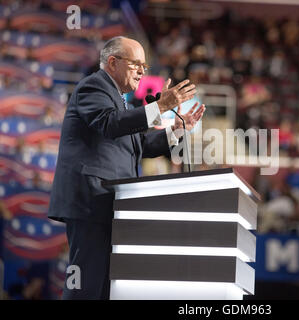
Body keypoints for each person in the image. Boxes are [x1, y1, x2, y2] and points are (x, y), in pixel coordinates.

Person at [48, 36, 205, 300]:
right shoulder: (93, 87)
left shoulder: (123, 101)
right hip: (92, 202)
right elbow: (109, 124)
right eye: (137, 64)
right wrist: (160, 106)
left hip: (114, 205)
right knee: (86, 286)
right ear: (113, 62)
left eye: (145, 65)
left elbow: (139, 144)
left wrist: (176, 129)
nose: (143, 71)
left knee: (108, 289)